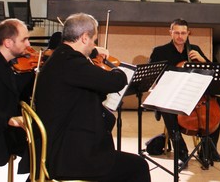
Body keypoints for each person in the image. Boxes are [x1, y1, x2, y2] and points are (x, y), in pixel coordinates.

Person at [35, 13, 150, 182]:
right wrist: (116, 68)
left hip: (58, 146)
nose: (94, 45)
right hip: (69, 157)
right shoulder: (72, 63)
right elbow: (115, 82)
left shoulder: (60, 56)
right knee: (138, 166)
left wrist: (94, 52)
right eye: (94, 40)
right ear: (84, 38)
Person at [149, 18, 220, 166]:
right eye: (176, 32)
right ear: (170, 32)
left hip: (194, 94)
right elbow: (153, 76)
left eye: (183, 33)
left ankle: (208, 148)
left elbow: (213, 71)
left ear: (188, 33)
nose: (180, 36)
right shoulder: (159, 51)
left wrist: (202, 60)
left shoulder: (194, 49)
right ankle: (182, 152)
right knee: (168, 110)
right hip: (171, 95)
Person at [0, 19, 34, 174]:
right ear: (8, 42)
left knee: (45, 147)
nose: (29, 44)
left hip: (11, 132)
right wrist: (7, 119)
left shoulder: (14, 65)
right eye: (24, 39)